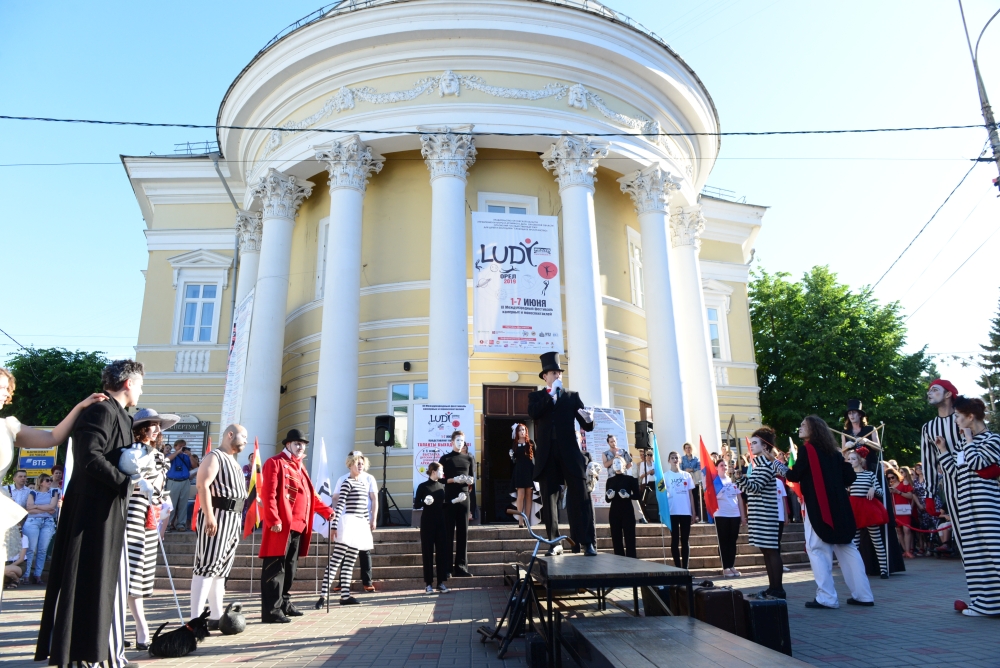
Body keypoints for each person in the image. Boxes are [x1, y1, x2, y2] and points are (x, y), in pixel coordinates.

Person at [35, 359, 145, 668]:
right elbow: (89, 456)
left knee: (98, 581)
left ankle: (91, 653)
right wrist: (125, 482)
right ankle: (75, 654)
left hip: (105, 510)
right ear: (128, 384)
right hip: (89, 511)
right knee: (83, 579)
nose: (140, 391)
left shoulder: (120, 414)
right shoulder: (101, 410)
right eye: (140, 385)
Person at [775, 415, 873, 609]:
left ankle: (827, 597)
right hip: (841, 507)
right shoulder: (834, 453)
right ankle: (863, 595)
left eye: (804, 425)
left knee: (817, 549)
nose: (800, 428)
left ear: (814, 428)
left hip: (820, 507)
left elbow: (795, 475)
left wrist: (780, 466)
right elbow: (849, 477)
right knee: (847, 548)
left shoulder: (807, 449)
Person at [259, 429, 332, 623]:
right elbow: (268, 494)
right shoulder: (275, 462)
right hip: (280, 526)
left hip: (299, 526)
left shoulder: (301, 467)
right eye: (297, 443)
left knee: (290, 568)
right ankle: (271, 611)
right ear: (287, 444)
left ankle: (284, 603)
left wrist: (327, 511)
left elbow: (311, 496)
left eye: (303, 444)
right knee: (275, 569)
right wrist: (273, 519)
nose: (300, 447)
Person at [936, 396, 1000, 616]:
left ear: (970, 417)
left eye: (958, 416)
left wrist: (970, 440)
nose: (955, 420)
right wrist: (944, 451)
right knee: (975, 554)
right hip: (966, 504)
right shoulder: (964, 444)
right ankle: (984, 602)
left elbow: (978, 463)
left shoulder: (992, 439)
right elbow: (956, 472)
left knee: (994, 551)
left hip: (987, 504)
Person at [528, 352, 596, 556]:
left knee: (580, 496)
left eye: (559, 372)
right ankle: (554, 542)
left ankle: (585, 542)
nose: (557, 376)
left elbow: (586, 424)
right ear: (544, 377)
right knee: (549, 500)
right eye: (553, 373)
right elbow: (533, 414)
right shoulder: (538, 396)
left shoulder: (571, 396)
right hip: (548, 454)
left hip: (569, 452)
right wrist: (550, 396)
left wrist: (589, 419)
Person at [122, 408, 173, 650]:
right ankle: (137, 626)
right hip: (132, 514)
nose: (157, 429)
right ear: (141, 428)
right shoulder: (131, 451)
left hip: (151, 516)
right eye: (153, 424)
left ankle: (136, 627)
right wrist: (140, 484)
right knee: (129, 572)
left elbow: (161, 490)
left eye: (159, 425)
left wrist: (165, 504)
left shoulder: (160, 456)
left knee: (142, 574)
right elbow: (127, 478)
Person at [190, 423, 248, 629]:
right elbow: (202, 485)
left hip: (233, 518)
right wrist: (209, 516)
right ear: (230, 435)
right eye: (243, 436)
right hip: (217, 514)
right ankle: (195, 620)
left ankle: (216, 616)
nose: (246, 441)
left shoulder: (233, 461)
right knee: (206, 567)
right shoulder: (214, 456)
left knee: (220, 570)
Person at [319, 452, 376, 606]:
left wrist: (368, 522)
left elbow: (364, 508)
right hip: (349, 522)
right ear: (350, 465)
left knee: (350, 562)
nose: (360, 466)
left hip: (360, 525)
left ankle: (345, 596)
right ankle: (323, 596)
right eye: (357, 463)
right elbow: (340, 505)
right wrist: (334, 525)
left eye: (362, 463)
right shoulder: (347, 482)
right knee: (336, 560)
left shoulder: (363, 484)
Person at [735, 427, 785, 598]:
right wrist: (741, 480)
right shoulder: (759, 465)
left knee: (771, 551)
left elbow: (755, 488)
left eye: (755, 443)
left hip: (766, 515)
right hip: (759, 514)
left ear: (765, 446)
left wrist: (740, 479)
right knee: (767, 551)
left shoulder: (766, 465)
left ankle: (778, 589)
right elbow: (751, 490)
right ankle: (773, 587)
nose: (751, 445)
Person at [920, 379, 964, 555]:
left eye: (934, 389)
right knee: (961, 535)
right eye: (929, 390)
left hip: (974, 483)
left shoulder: (963, 418)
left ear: (948, 394)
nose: (929, 393)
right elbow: (928, 461)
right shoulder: (929, 428)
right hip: (950, 488)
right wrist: (929, 495)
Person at [847, 447, 888, 579]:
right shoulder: (848, 475)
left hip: (868, 508)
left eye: (853, 459)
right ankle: (855, 570)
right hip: (854, 508)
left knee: (877, 540)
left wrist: (873, 488)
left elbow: (881, 492)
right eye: (849, 459)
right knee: (855, 542)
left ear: (859, 460)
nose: (850, 461)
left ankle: (884, 570)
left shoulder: (869, 474)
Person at [439, 430, 475, 576]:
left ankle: (461, 567)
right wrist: (454, 480)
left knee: (463, 533)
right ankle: (447, 568)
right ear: (452, 442)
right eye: (458, 440)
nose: (460, 443)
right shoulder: (445, 459)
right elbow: (440, 479)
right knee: (448, 532)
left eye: (462, 441)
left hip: (464, 498)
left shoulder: (469, 458)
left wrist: (469, 481)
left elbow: (472, 478)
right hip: (450, 498)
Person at [414, 462, 451, 593]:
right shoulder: (423, 486)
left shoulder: (441, 486)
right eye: (441, 471)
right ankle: (428, 583)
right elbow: (416, 504)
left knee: (441, 552)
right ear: (434, 471)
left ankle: (440, 582)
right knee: (428, 552)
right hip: (427, 523)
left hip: (441, 523)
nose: (443, 473)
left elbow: (443, 505)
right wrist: (424, 502)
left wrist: (454, 501)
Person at [23, 473, 59, 584]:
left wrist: (36, 506)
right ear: (41, 482)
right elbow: (29, 508)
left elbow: (52, 506)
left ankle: (38, 575)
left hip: (47, 522)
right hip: (33, 522)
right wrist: (45, 509)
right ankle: (26, 575)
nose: (49, 482)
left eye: (50, 480)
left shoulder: (54, 492)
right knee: (31, 549)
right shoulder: (32, 492)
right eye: (47, 480)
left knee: (42, 550)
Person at [663, 451, 696, 568]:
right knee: (675, 539)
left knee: (685, 540)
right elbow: (661, 494)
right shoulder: (665, 476)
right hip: (672, 512)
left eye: (676, 458)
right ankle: (677, 567)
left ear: (680, 460)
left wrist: (693, 511)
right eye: (672, 458)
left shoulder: (687, 475)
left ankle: (685, 568)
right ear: (669, 460)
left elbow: (691, 494)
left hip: (686, 512)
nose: (675, 460)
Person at [714, 459, 745, 577]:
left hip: (734, 514)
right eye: (721, 465)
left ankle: (731, 565)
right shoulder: (715, 481)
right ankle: (725, 567)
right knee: (723, 541)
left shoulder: (733, 480)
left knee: (732, 541)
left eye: (725, 465)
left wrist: (743, 516)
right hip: (721, 514)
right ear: (716, 467)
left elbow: (739, 499)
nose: (724, 467)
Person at [605, 456, 639, 558]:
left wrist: (628, 496)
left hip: (627, 512)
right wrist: (609, 496)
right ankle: (619, 562)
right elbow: (607, 499)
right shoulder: (610, 480)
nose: (616, 465)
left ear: (624, 465)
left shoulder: (631, 479)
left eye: (619, 462)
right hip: (614, 513)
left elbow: (637, 496)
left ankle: (631, 562)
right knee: (616, 539)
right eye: (614, 463)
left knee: (630, 539)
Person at [509, 423, 535, 528]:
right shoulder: (514, 444)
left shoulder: (531, 443)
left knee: (529, 496)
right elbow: (513, 461)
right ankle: (520, 520)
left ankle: (527, 520)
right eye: (520, 430)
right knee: (521, 495)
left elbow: (536, 456)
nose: (522, 432)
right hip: (519, 471)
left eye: (524, 430)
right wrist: (511, 456)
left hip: (529, 470)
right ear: (517, 432)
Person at [165, 438, 193, 531]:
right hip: (173, 481)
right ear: (175, 447)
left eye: (183, 446)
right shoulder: (170, 455)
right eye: (180, 446)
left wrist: (190, 456)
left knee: (183, 504)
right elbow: (167, 459)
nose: (182, 448)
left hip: (185, 482)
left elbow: (195, 465)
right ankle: (168, 524)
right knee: (171, 504)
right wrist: (178, 452)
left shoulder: (186, 457)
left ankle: (181, 524)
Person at [887, 467, 915, 558]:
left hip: (904, 510)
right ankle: (905, 550)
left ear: (896, 476)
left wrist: (898, 492)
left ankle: (908, 550)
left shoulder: (904, 484)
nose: (891, 479)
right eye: (889, 478)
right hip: (894, 511)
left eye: (892, 477)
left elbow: (911, 496)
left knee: (907, 529)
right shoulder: (888, 486)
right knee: (899, 531)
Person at [680, 443, 702, 522]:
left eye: (689, 447)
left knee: (695, 498)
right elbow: (681, 469)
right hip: (685, 482)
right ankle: (687, 515)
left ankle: (695, 515)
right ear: (684, 449)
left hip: (694, 481)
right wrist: (687, 470)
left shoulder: (696, 458)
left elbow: (699, 468)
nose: (688, 449)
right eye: (686, 448)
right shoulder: (682, 459)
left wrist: (690, 470)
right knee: (686, 498)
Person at [637, 449, 658, 522]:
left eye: (650, 455)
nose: (649, 456)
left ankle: (654, 517)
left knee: (653, 500)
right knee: (644, 501)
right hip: (646, 483)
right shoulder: (643, 464)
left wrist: (654, 472)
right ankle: (643, 517)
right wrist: (649, 472)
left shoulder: (654, 463)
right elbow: (641, 475)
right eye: (647, 455)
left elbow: (657, 473)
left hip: (654, 483)